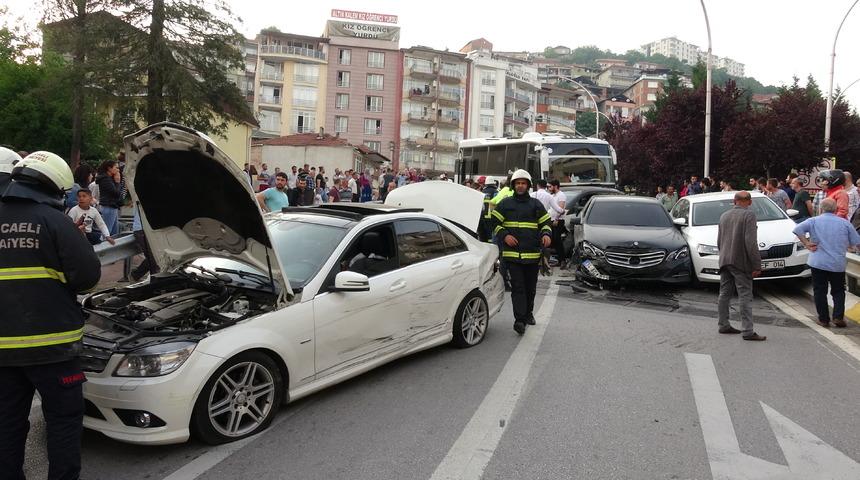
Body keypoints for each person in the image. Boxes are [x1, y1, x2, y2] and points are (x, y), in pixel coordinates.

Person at [0, 151, 101, 480]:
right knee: (63, 422)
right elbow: (87, 277)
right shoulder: (56, 222)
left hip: (3, 352)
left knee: (7, 424)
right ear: (55, 189)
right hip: (55, 350)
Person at [488, 169, 552, 335]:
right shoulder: (505, 204)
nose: (521, 186)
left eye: (523, 183)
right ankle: (520, 321)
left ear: (528, 185)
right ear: (513, 185)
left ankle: (528, 313)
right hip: (512, 255)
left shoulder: (536, 205)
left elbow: (546, 223)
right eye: (518, 183)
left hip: (532, 255)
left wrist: (546, 234)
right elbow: (494, 222)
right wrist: (504, 235)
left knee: (530, 288)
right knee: (518, 288)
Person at [793, 198, 860, 328]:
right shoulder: (844, 223)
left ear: (821, 209)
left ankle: (823, 319)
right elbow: (855, 242)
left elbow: (797, 229)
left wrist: (806, 243)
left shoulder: (813, 221)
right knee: (839, 291)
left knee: (819, 291)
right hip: (837, 263)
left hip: (818, 262)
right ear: (835, 209)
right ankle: (838, 317)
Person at [716, 190, 767, 341]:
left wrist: (724, 254)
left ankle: (723, 324)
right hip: (740, 261)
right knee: (745, 295)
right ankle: (748, 330)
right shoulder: (749, 215)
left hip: (725, 259)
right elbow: (750, 242)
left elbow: (719, 241)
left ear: (734, 201)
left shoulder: (724, 215)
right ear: (750, 202)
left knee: (724, 293)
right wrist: (757, 265)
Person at [130, 206, 159, 281]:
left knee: (154, 257)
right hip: (141, 230)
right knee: (153, 257)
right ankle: (154, 278)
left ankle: (136, 275)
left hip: (149, 230)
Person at [95, 159, 123, 236]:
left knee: (114, 232)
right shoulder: (105, 179)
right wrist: (117, 182)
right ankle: (102, 247)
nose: (118, 170)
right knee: (106, 232)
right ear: (109, 168)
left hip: (112, 206)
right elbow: (116, 193)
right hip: (109, 206)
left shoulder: (109, 178)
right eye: (116, 168)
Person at [548, 179, 568, 266]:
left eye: (550, 186)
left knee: (557, 239)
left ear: (555, 186)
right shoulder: (553, 195)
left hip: (558, 220)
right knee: (554, 240)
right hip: (552, 220)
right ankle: (559, 260)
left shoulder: (561, 195)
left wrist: (556, 219)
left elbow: (561, 209)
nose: (549, 188)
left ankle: (563, 260)